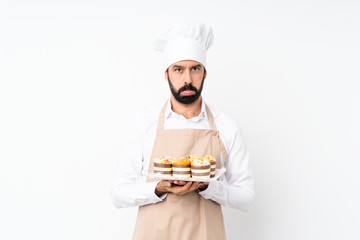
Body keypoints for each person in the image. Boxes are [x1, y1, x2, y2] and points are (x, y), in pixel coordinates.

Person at [110, 23, 255, 240]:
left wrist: (209, 187)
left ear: (204, 73)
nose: (187, 79)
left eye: (194, 68)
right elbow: (118, 194)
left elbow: (246, 197)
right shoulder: (143, 123)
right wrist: (158, 188)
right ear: (167, 74)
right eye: (178, 69)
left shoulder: (226, 126)